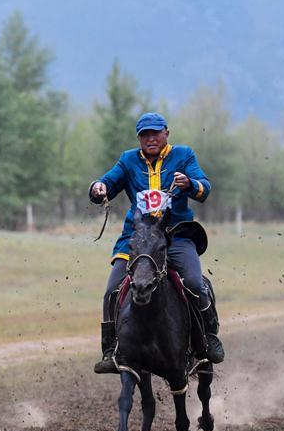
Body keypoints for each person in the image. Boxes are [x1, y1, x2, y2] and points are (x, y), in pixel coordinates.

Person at [88, 112, 224, 374]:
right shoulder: (128, 160)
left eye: (155, 133)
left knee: (195, 283)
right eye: (144, 134)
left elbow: (205, 188)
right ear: (139, 138)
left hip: (175, 236)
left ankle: (207, 340)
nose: (150, 138)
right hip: (137, 239)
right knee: (111, 290)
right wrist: (98, 188)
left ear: (166, 134)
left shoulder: (184, 155)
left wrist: (190, 183)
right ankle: (110, 351)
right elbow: (107, 182)